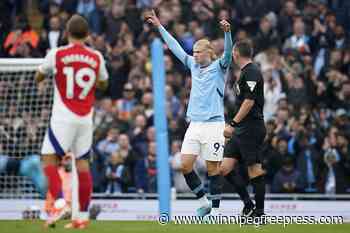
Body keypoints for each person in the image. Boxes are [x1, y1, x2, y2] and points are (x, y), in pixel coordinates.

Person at [146, 9, 232, 217]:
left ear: (208, 52)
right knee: (185, 164)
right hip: (194, 123)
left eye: (197, 52)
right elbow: (174, 46)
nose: (194, 55)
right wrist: (159, 26)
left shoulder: (220, 67)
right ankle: (204, 202)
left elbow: (228, 53)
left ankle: (216, 213)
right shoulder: (192, 65)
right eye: (193, 52)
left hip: (213, 124)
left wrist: (227, 34)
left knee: (213, 169)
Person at [35, 14, 108, 229]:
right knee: (83, 165)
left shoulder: (56, 54)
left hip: (63, 117)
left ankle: (59, 202)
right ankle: (82, 218)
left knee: (48, 158)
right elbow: (103, 83)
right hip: (85, 118)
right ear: (87, 35)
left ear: (66, 33)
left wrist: (45, 77)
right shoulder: (96, 57)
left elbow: (38, 74)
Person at [221, 40, 267, 218]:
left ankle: (260, 213)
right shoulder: (244, 72)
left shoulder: (253, 71)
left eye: (232, 52)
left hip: (251, 127)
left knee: (254, 169)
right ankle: (248, 205)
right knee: (225, 168)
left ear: (236, 53)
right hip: (241, 129)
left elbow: (249, 101)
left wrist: (232, 124)